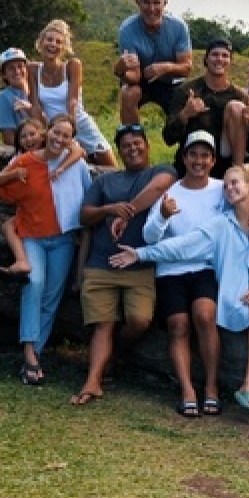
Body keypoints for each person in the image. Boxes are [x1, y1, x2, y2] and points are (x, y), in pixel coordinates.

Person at [110, 165, 249, 427]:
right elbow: (184, 245)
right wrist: (141, 253)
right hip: (233, 295)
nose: (229, 189)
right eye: (225, 185)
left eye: (236, 183)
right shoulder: (219, 225)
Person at [0, 115, 90, 385]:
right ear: (46, 131)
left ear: (71, 139)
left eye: (65, 136)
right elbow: (3, 191)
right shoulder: (25, 162)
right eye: (55, 133)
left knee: (51, 298)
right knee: (34, 284)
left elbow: (87, 201)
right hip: (33, 238)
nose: (59, 139)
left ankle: (33, 356)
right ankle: (28, 352)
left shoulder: (77, 165)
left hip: (63, 239)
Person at [69, 123, 176, 405]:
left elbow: (159, 188)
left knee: (139, 321)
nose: (132, 148)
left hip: (139, 266)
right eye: (126, 145)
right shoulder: (105, 182)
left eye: (137, 143)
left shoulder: (160, 171)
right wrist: (108, 210)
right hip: (101, 264)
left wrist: (126, 214)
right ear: (119, 150)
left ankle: (114, 354)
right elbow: (84, 216)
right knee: (103, 324)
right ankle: (93, 381)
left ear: (147, 145)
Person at [139, 130, 231, 417]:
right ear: (184, 157)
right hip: (171, 269)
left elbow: (247, 203)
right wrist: (164, 216)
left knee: (205, 315)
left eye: (205, 155)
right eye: (193, 154)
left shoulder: (220, 189)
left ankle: (212, 387)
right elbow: (149, 236)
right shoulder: (171, 192)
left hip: (204, 267)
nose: (199, 161)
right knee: (178, 324)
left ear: (213, 160)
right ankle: (187, 390)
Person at [0, 118, 85, 278]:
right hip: (30, 219)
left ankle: (22, 260)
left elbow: (79, 151)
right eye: (23, 137)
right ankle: (21, 260)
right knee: (9, 226)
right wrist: (14, 174)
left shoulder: (59, 148)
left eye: (32, 134)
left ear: (43, 134)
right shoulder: (21, 159)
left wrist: (61, 168)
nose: (29, 139)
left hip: (58, 229)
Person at [29, 19, 116, 167]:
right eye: (49, 39)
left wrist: (69, 130)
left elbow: (73, 102)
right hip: (53, 129)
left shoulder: (72, 66)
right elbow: (35, 106)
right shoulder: (32, 69)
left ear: (63, 48)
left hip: (78, 122)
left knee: (108, 163)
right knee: (69, 166)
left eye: (58, 42)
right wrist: (46, 132)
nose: (53, 44)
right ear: (41, 42)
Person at [162, 38, 249, 179]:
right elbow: (168, 138)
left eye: (225, 55)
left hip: (224, 163)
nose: (219, 59)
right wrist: (185, 114)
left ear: (230, 62)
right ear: (206, 59)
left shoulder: (240, 96)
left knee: (236, 107)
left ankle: (237, 173)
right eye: (215, 54)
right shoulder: (185, 91)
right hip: (192, 161)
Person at [114, 0, 193, 125]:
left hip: (171, 81)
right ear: (138, 3)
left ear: (165, 4)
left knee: (187, 103)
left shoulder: (179, 27)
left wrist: (167, 68)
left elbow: (186, 69)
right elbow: (135, 76)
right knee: (128, 94)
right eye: (146, 3)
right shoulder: (127, 29)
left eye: (157, 3)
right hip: (141, 80)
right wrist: (121, 72)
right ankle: (132, 139)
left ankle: (186, 143)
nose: (151, 9)